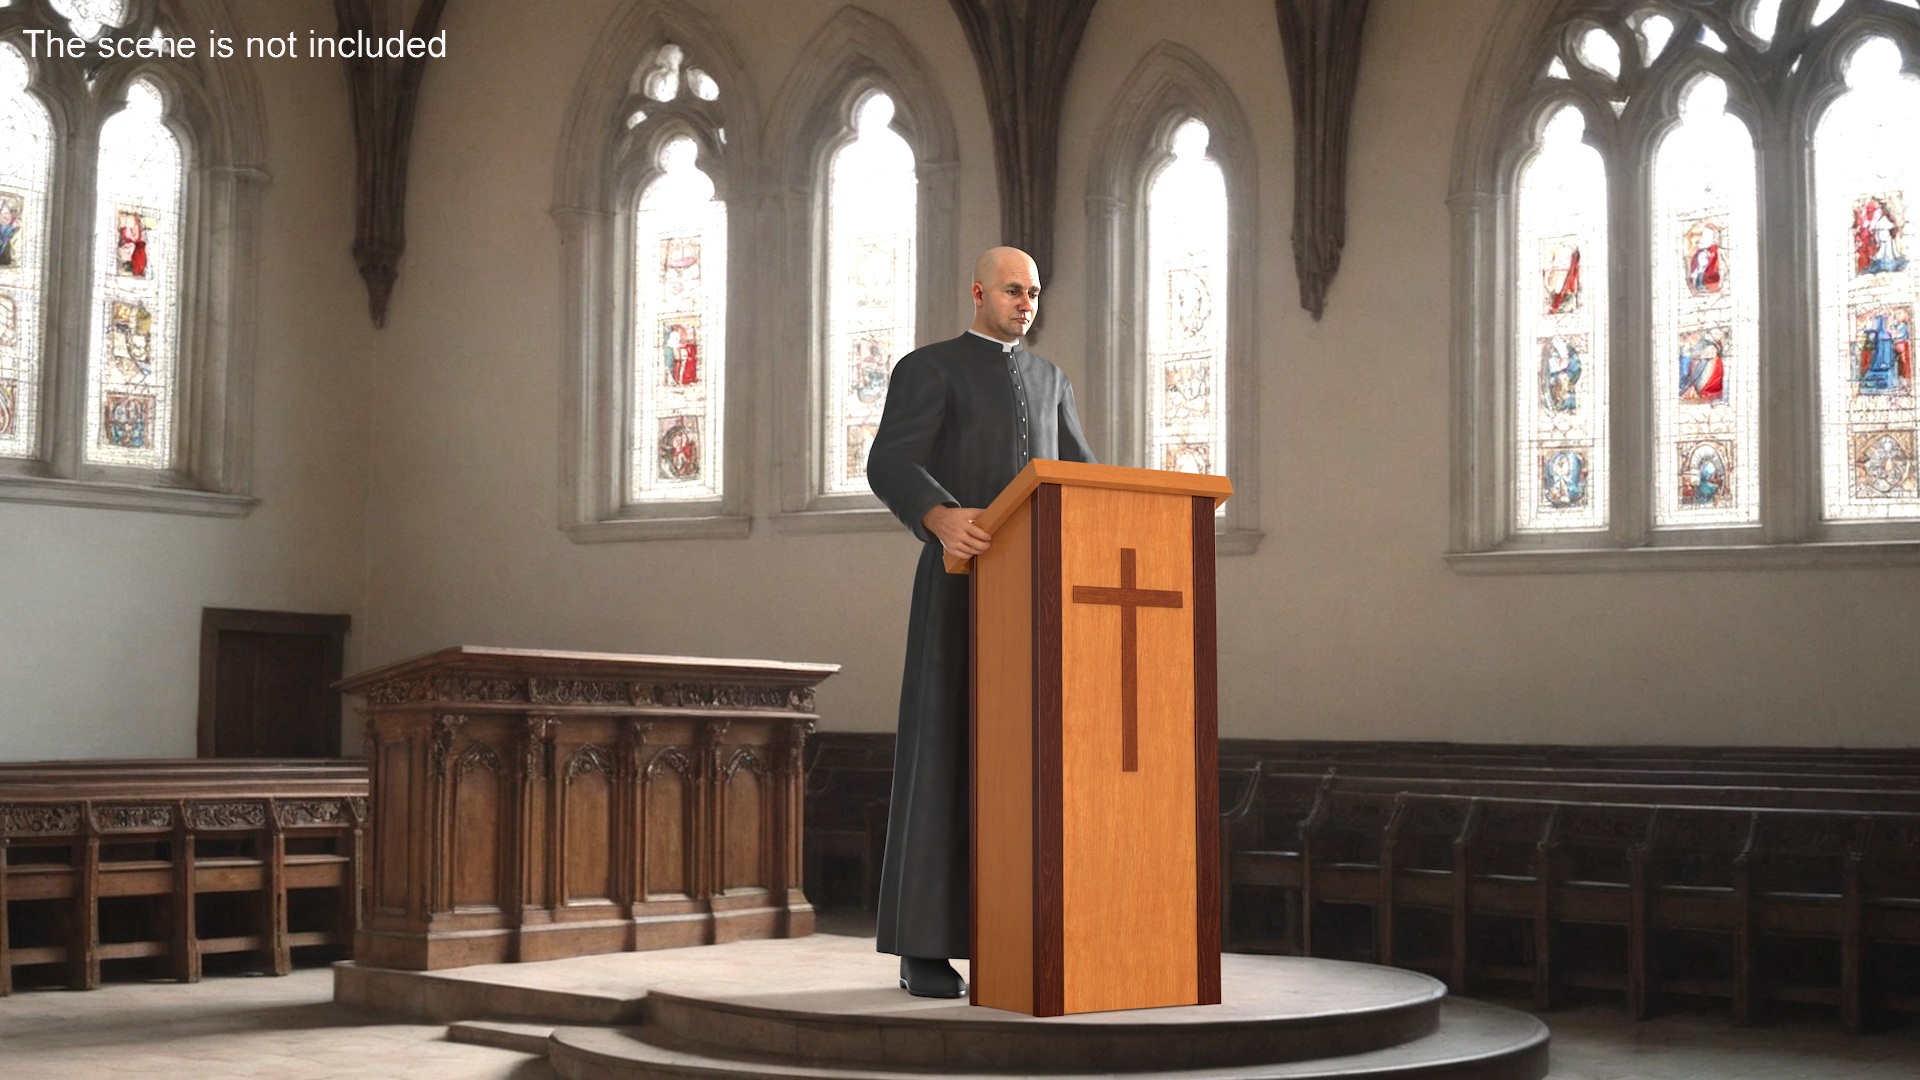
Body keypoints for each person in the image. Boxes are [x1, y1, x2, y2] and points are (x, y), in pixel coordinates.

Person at [866, 247, 1095, 998]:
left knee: (1035, 763)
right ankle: (923, 947)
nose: (1025, 303)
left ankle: (1031, 929)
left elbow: (1083, 477)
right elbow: (890, 459)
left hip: (1041, 594)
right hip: (962, 581)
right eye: (1011, 290)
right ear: (976, 293)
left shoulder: (1051, 378)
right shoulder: (929, 368)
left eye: (1033, 292)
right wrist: (936, 514)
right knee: (946, 751)